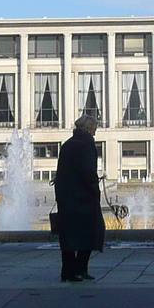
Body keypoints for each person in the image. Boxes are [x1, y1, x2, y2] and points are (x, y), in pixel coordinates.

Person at [53, 115, 106, 282]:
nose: (96, 131)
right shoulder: (87, 144)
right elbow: (88, 171)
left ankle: (68, 271)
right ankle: (80, 268)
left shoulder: (68, 144)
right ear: (90, 129)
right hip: (83, 196)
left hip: (66, 196)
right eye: (95, 128)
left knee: (68, 235)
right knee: (91, 232)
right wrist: (95, 191)